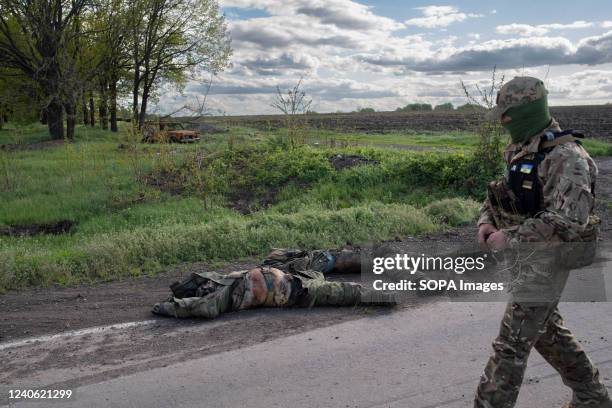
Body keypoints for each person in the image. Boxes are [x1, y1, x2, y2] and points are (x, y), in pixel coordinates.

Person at [474, 77, 611, 408]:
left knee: (511, 345)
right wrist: (486, 220)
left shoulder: (569, 158)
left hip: (550, 260)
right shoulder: (522, 148)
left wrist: (511, 237)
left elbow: (569, 220)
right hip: (526, 259)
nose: (504, 123)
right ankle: (593, 398)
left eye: (508, 115)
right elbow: (504, 193)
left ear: (527, 112)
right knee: (547, 333)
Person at [152, 248, 396, 319]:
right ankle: (384, 295)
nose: (205, 288)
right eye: (202, 289)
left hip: (293, 275)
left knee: (325, 259)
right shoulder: (222, 298)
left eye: (204, 286)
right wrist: (167, 307)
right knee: (341, 292)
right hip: (296, 291)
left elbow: (197, 294)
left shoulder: (226, 281)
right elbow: (199, 308)